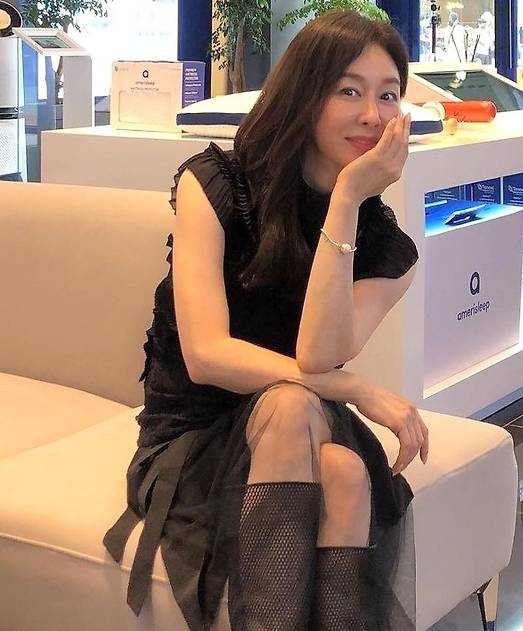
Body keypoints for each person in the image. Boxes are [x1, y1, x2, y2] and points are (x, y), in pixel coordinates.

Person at [103, 10, 429, 631]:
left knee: (329, 452)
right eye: (349, 91)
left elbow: (317, 356)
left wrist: (347, 200)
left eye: (388, 96)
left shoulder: (388, 250)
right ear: (305, 95)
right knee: (310, 430)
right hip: (197, 429)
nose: (372, 114)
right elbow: (207, 355)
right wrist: (353, 388)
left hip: (303, 420)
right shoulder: (216, 185)